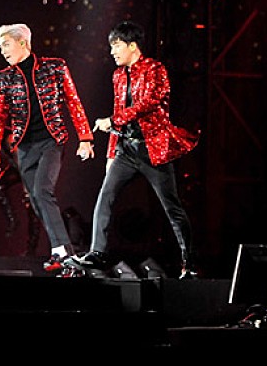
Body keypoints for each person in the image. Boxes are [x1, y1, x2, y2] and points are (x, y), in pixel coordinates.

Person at [64, 20, 200, 279]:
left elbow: (148, 103)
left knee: (171, 207)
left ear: (133, 46)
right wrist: (111, 153)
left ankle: (189, 262)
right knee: (105, 197)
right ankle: (97, 252)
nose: (112, 51)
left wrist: (113, 120)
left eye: (116, 45)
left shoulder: (155, 70)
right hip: (126, 149)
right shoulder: (118, 75)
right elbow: (118, 112)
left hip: (153, 149)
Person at [0, 23, 94, 274]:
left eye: (6, 44)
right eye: (1, 46)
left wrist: (85, 138)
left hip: (51, 140)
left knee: (43, 190)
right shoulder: (3, 78)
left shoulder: (54, 67)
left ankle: (64, 251)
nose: (3, 51)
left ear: (22, 43)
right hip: (24, 146)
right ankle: (62, 250)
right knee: (35, 199)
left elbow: (73, 101)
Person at [0, 115, 40, 255]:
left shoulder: (9, 137)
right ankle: (13, 220)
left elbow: (21, 162)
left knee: (32, 209)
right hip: (18, 167)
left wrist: (27, 189)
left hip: (29, 169)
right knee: (0, 187)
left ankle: (31, 248)